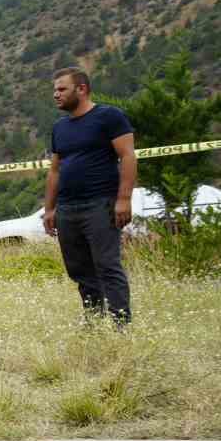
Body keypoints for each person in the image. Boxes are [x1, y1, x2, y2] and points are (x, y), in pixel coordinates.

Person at [44, 66, 136, 325]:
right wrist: (49, 209)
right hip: (67, 209)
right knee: (80, 270)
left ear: (81, 89)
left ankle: (121, 327)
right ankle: (94, 323)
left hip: (100, 204)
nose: (56, 95)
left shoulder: (109, 117)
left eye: (62, 89)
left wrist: (124, 199)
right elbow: (55, 170)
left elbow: (128, 156)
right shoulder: (60, 127)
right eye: (54, 90)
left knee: (107, 266)